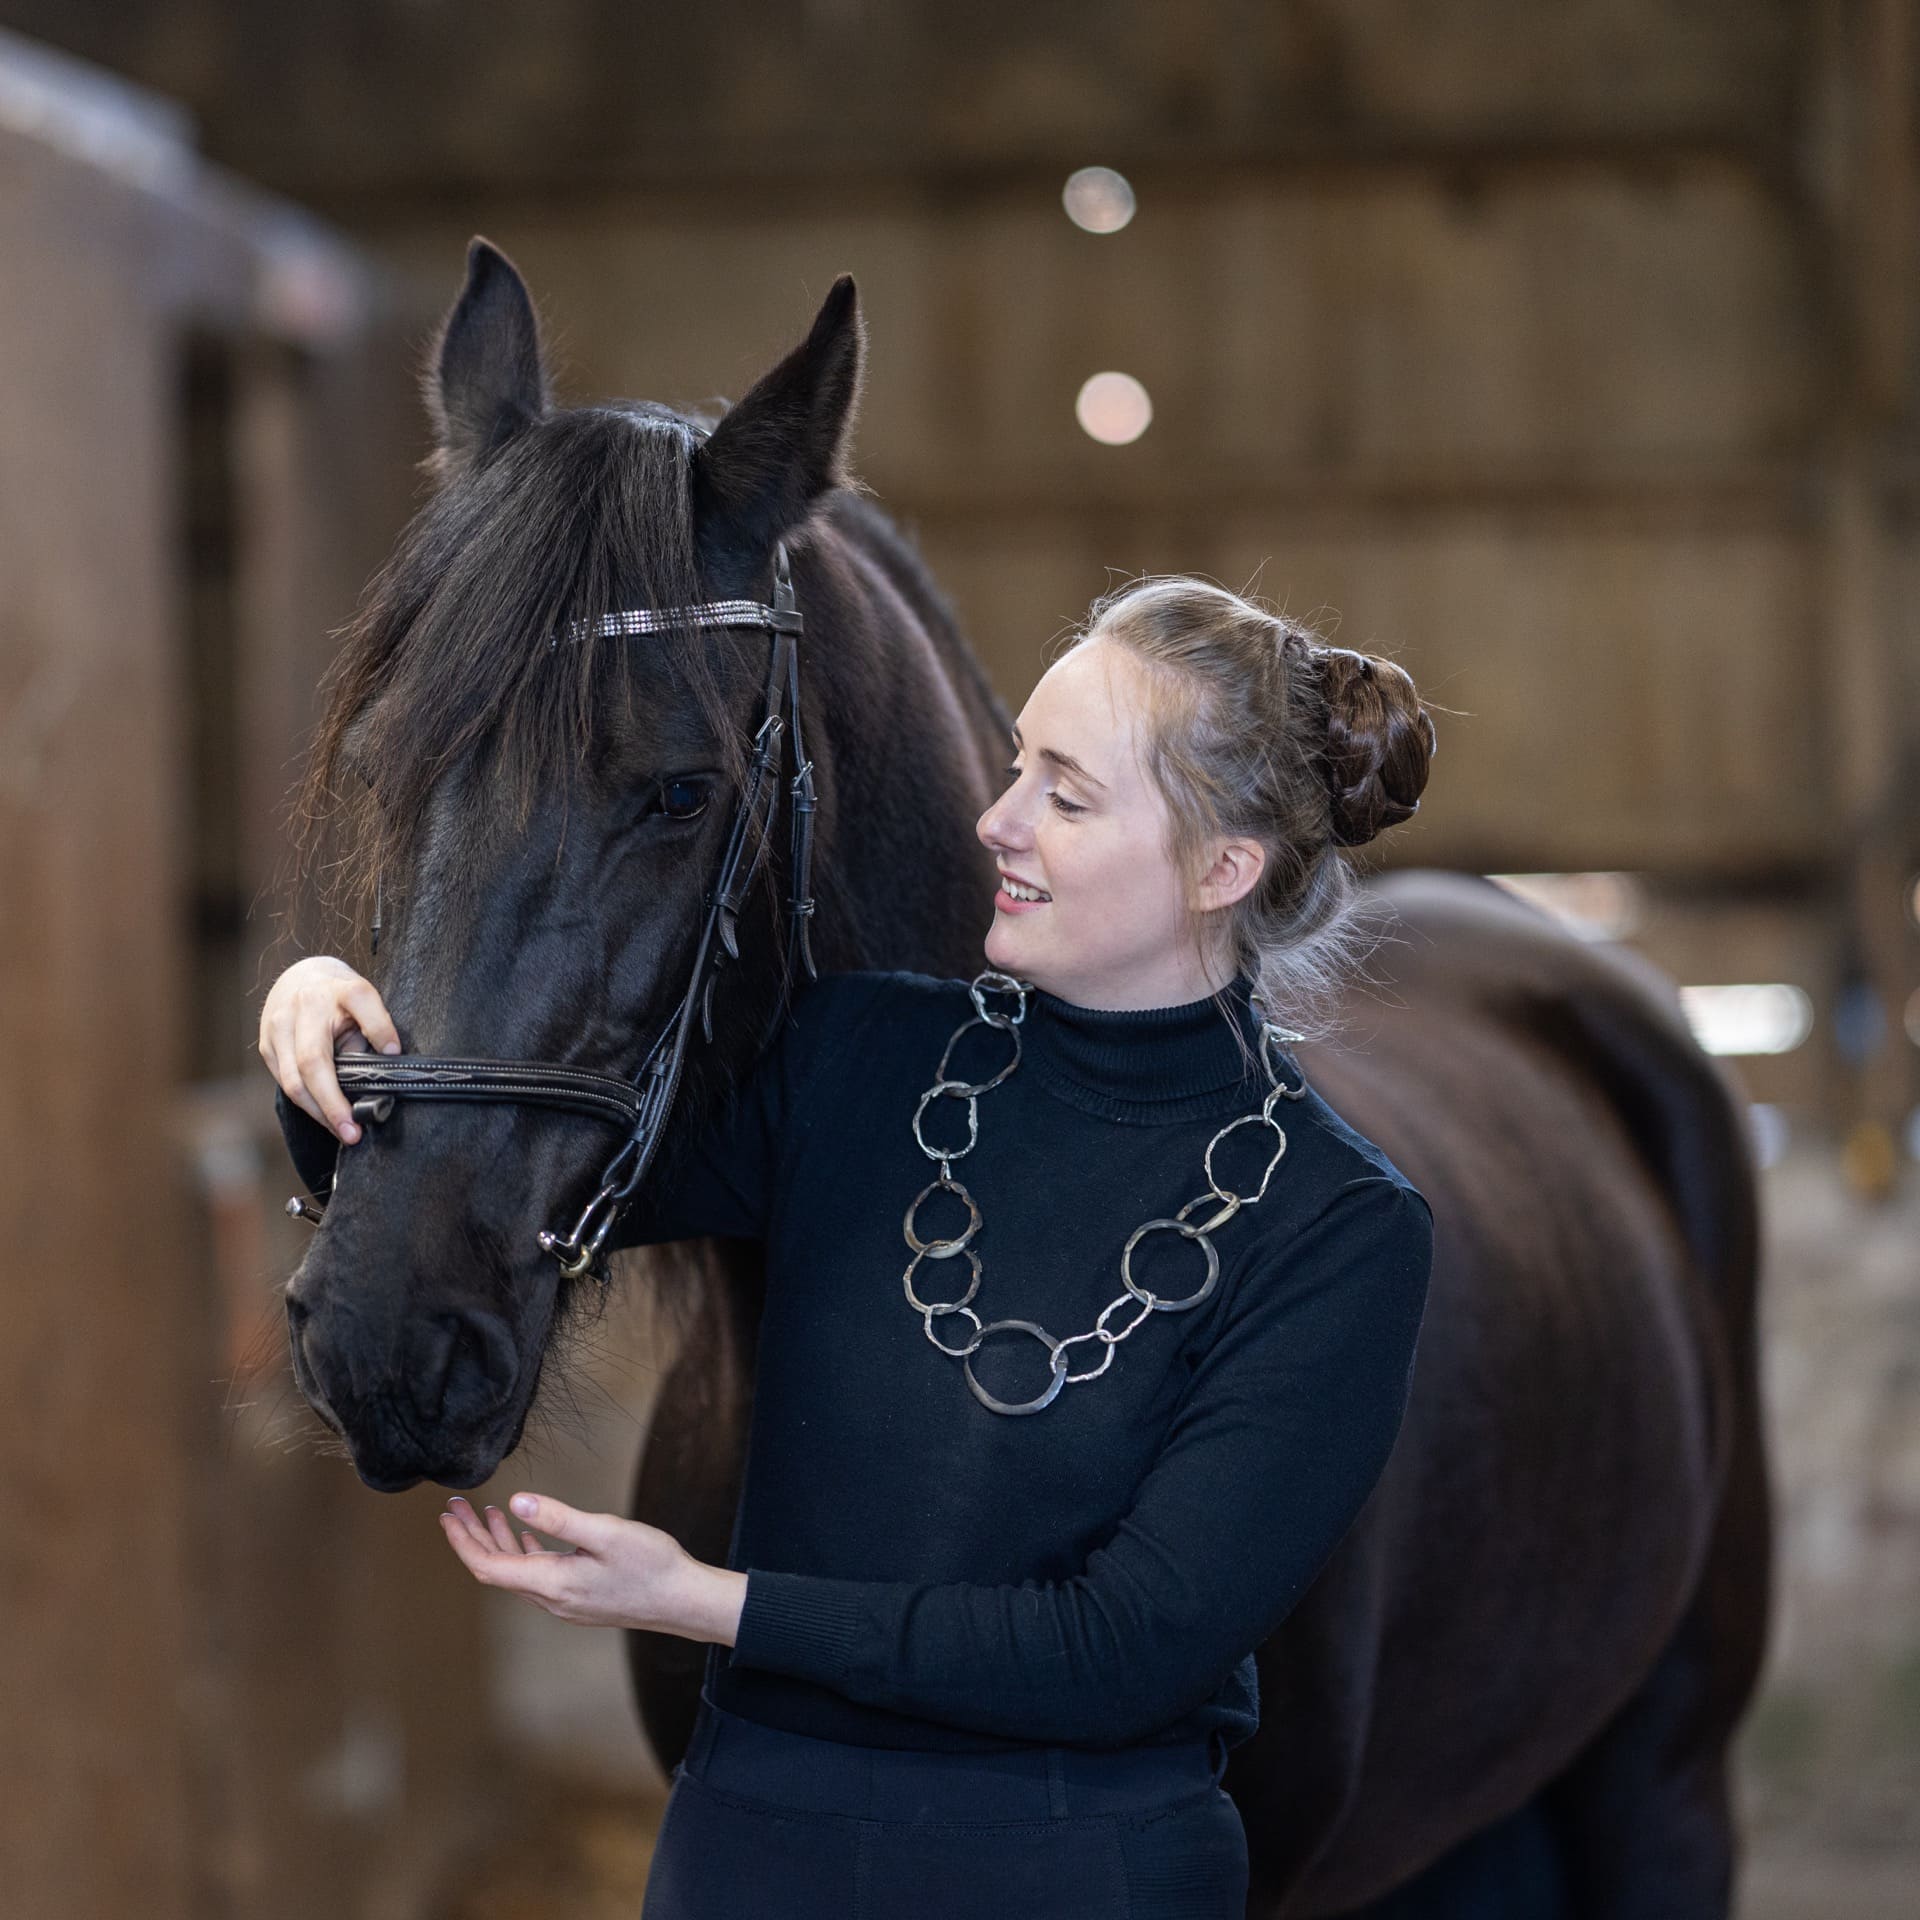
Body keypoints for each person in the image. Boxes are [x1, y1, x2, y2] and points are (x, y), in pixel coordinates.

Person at [261, 575, 1440, 1917]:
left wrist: (705, 1601)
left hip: (1079, 1878)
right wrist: (332, 1041)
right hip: (746, 1859)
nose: (995, 822)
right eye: (1013, 771)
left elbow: (1122, 1650)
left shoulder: (1339, 1231)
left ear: (1221, 868)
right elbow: (522, 1188)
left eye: (1065, 794)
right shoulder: (856, 1054)